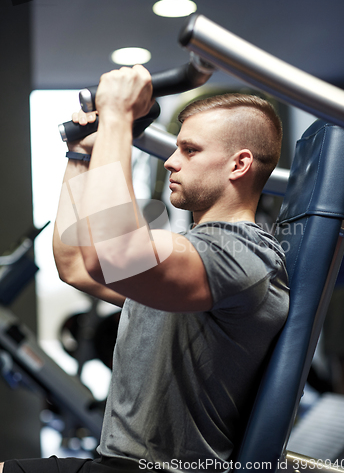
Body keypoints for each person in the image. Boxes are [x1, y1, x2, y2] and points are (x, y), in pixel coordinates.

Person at [1, 66, 289, 473]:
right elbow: (75, 265)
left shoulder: (244, 254)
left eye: (189, 150)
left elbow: (113, 254)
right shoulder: (191, 255)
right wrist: (82, 155)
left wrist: (118, 115)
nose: (171, 162)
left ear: (239, 165)